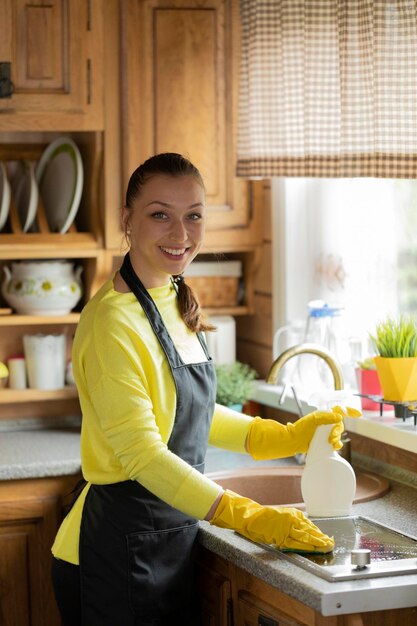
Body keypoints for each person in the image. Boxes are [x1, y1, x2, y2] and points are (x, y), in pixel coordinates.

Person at [51, 152, 358, 626]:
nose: (180, 234)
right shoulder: (113, 322)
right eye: (160, 215)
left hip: (164, 540)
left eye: (193, 215)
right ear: (126, 221)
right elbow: (143, 455)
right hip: (113, 554)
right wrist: (248, 515)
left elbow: (187, 410)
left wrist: (278, 436)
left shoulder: (172, 295)